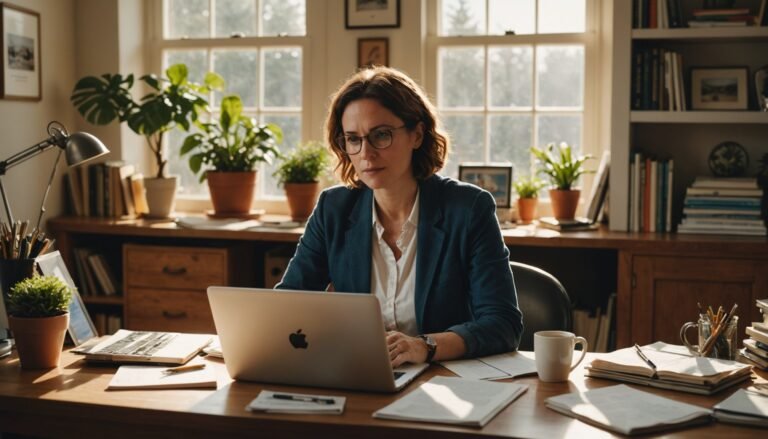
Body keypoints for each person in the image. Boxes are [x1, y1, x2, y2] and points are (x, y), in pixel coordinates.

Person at [276, 66, 522, 367]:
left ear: (417, 134)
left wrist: (425, 346)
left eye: (381, 135)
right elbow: (287, 305)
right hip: (358, 374)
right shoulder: (334, 208)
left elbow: (502, 323)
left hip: (443, 383)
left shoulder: (469, 209)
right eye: (353, 139)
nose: (366, 153)